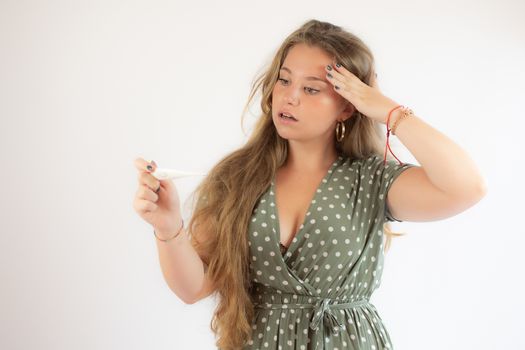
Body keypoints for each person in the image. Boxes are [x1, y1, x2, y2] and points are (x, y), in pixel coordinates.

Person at [133, 19, 487, 350]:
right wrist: (168, 228)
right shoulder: (238, 177)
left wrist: (388, 111)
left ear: (348, 106)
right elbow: (194, 288)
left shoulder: (371, 180)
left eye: (311, 88)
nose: (290, 97)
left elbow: (467, 187)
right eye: (284, 80)